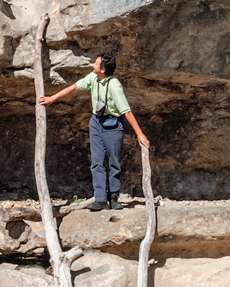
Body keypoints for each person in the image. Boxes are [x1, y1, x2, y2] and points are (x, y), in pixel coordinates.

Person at [38, 53, 150, 211]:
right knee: (97, 163)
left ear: (103, 69)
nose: (93, 65)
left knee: (114, 163)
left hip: (113, 124)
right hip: (96, 123)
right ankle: (100, 200)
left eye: (96, 63)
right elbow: (74, 87)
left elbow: (127, 111)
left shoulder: (114, 85)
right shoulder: (93, 77)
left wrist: (140, 133)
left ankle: (114, 198)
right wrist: (52, 98)